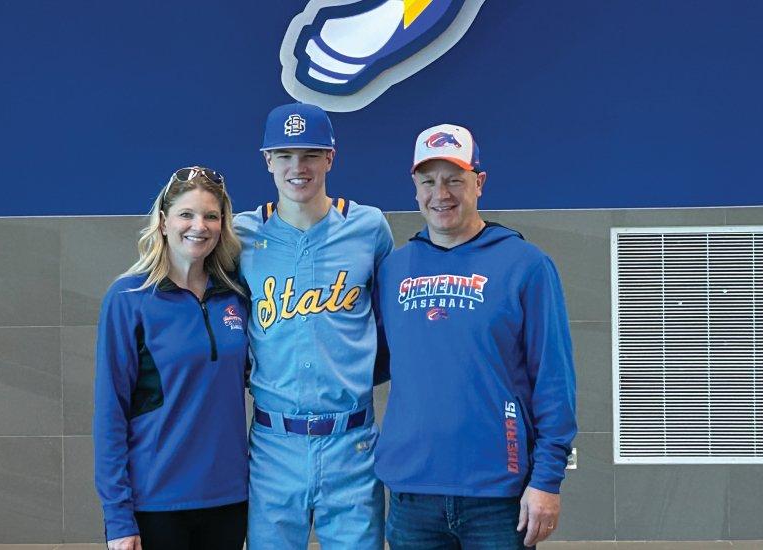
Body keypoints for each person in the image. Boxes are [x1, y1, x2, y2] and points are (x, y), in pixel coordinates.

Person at [374, 124, 577, 549]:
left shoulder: (526, 265)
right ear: (415, 188)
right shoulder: (394, 269)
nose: (440, 194)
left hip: (498, 496)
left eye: (454, 180)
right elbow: (365, 361)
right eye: (428, 181)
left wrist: (547, 482)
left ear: (479, 183)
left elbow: (553, 382)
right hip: (413, 494)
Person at [233, 103, 394, 549]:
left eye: (310, 154)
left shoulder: (368, 228)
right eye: (284, 155)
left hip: (353, 441)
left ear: (331, 158)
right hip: (273, 442)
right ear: (267, 160)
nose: (297, 167)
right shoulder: (241, 235)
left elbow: (387, 326)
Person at [93, 167, 250, 550]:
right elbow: (110, 413)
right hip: (157, 501)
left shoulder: (234, 295)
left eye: (211, 216)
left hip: (228, 499)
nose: (199, 226)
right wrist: (118, 518)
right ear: (163, 222)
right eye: (186, 214)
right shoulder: (129, 298)